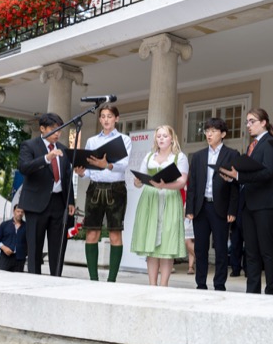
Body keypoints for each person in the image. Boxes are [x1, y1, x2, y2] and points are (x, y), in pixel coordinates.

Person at [220, 108, 273, 295]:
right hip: (249, 204)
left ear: (263, 123)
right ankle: (252, 293)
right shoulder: (252, 146)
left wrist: (239, 176)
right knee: (251, 252)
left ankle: (271, 292)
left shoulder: (271, 143)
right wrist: (233, 177)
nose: (248, 125)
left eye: (252, 121)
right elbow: (248, 174)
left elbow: (268, 172)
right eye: (247, 122)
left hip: (265, 205)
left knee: (267, 251)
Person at [74, 105, 132, 282]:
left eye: (110, 116)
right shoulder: (92, 141)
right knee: (92, 233)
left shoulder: (124, 139)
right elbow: (89, 169)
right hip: (95, 188)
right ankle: (93, 279)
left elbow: (124, 165)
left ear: (116, 119)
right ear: (99, 119)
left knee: (115, 234)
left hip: (116, 189)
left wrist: (106, 165)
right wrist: (81, 173)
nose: (106, 119)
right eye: (103, 116)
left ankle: (112, 280)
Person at [17, 113, 76, 276]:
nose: (57, 133)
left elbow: (67, 177)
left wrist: (70, 201)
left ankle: (56, 279)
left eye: (60, 129)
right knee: (35, 247)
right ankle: (34, 280)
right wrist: (46, 158)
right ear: (42, 129)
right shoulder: (29, 145)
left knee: (58, 247)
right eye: (53, 129)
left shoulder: (63, 149)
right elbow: (24, 167)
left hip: (59, 202)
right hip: (36, 203)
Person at [185, 118, 239, 291]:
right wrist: (190, 209)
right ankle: (200, 283)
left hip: (221, 208)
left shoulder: (232, 154)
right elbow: (192, 184)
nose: (209, 134)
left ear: (223, 134)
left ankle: (219, 284)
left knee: (221, 248)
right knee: (200, 248)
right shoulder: (198, 156)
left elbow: (235, 186)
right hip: (201, 207)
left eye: (213, 131)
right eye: (207, 131)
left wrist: (232, 210)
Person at [131, 125, 189, 286]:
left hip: (170, 199)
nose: (161, 139)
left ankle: (163, 285)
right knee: (151, 244)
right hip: (150, 200)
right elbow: (139, 181)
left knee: (166, 244)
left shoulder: (179, 157)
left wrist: (165, 186)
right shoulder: (149, 156)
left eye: (165, 136)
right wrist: (137, 181)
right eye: (158, 136)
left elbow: (182, 181)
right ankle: (152, 285)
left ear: (172, 138)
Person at [0, 205, 27, 272]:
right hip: (5, 257)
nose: (20, 213)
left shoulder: (26, 226)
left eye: (22, 212)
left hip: (20, 259)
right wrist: (4, 248)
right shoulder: (5, 224)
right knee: (1, 276)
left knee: (18, 278)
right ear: (14, 212)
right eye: (18, 211)